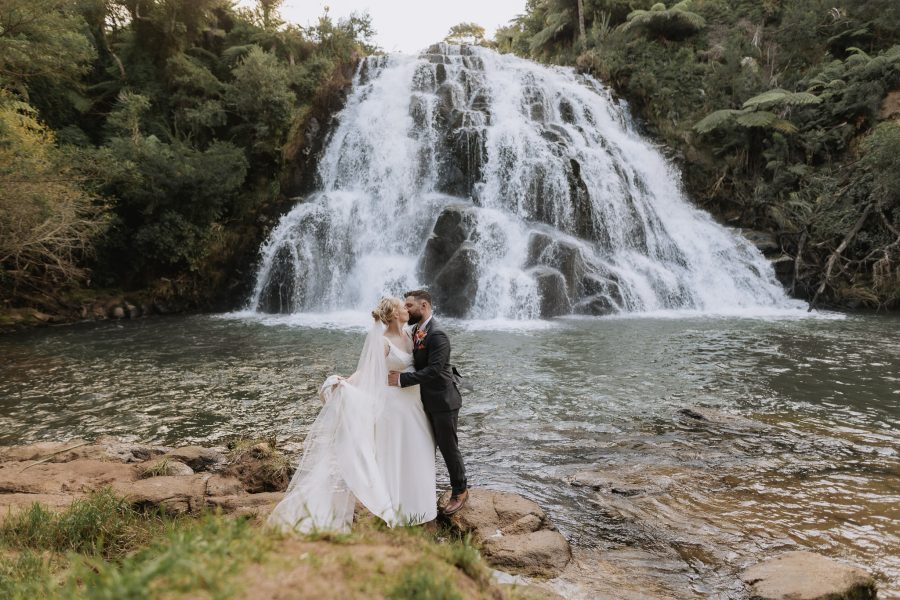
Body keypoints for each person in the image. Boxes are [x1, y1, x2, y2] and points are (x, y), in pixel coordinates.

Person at [267, 297, 437, 532]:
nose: (408, 309)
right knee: (396, 457)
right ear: (395, 314)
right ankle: (397, 511)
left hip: (414, 405)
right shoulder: (383, 342)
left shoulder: (410, 334)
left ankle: (423, 509)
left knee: (419, 453)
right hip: (394, 408)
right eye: (403, 307)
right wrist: (346, 382)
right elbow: (367, 370)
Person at [388, 289, 469, 515]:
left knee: (448, 447)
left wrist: (402, 379)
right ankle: (421, 493)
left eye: (409, 306)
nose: (406, 309)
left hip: (444, 401)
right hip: (425, 400)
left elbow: (434, 370)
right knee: (425, 447)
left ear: (423, 306)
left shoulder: (437, 334)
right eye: (404, 306)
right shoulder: (415, 331)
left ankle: (460, 491)